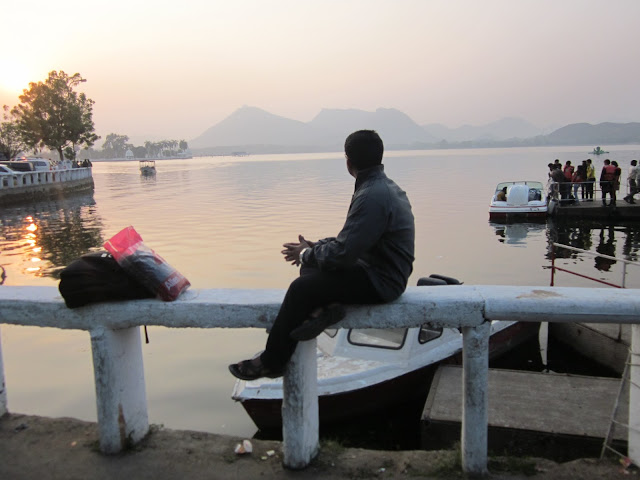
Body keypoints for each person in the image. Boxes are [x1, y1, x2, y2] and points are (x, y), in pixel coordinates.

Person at [228, 130, 416, 380]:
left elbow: (344, 253)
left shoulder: (372, 195)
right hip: (376, 268)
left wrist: (307, 252)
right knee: (311, 269)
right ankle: (330, 308)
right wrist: (314, 248)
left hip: (383, 280)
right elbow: (349, 240)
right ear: (380, 158)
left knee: (301, 288)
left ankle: (271, 362)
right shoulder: (379, 188)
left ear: (348, 162)